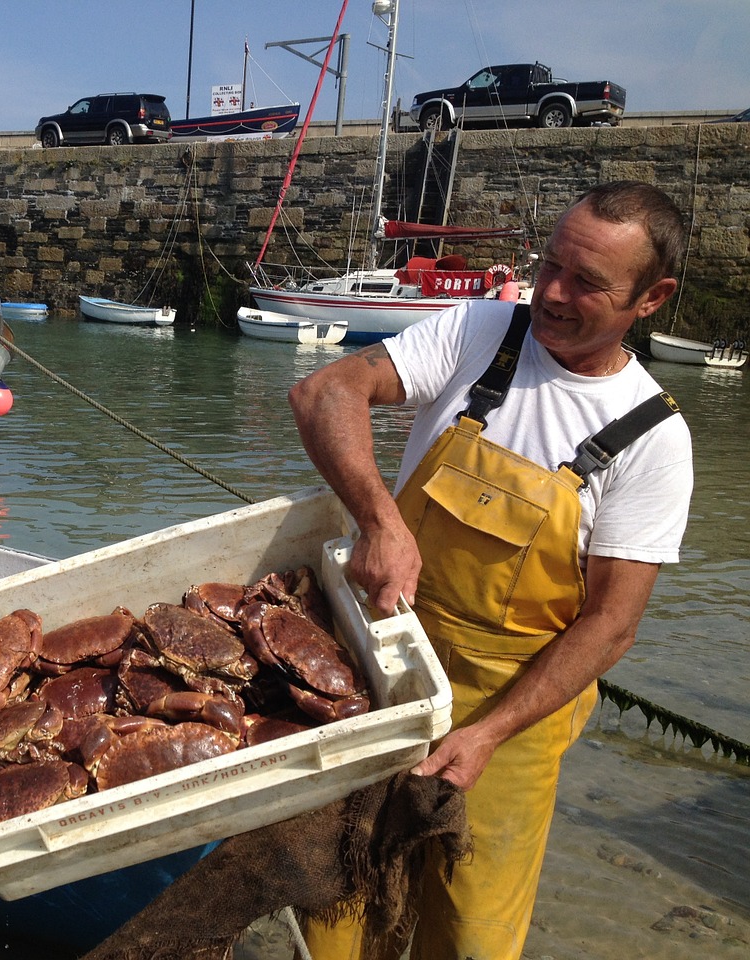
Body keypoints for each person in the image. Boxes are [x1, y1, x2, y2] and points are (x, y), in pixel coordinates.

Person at [287, 180, 693, 960]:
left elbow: (611, 625)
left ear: (653, 298)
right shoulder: (483, 332)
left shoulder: (653, 439)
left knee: (470, 934)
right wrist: (380, 520)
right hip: (383, 672)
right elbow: (324, 390)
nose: (551, 292)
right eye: (550, 265)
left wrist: (489, 734)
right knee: (339, 909)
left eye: (586, 283)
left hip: (510, 715)